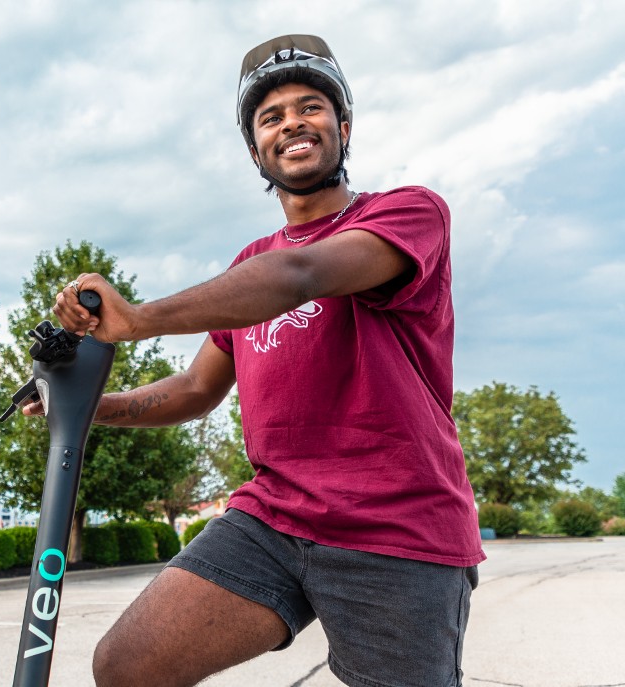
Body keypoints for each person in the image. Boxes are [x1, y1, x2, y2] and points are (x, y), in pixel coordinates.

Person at [44, 35, 483, 687]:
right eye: (270, 117)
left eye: (310, 107)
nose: (292, 124)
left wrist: (138, 318)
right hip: (272, 516)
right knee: (129, 664)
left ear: (343, 126)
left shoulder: (407, 213)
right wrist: (82, 406)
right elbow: (196, 387)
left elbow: (302, 271)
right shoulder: (249, 264)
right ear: (255, 149)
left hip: (395, 523)